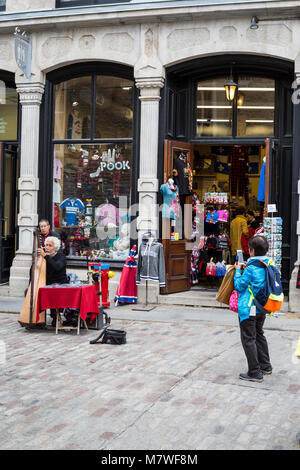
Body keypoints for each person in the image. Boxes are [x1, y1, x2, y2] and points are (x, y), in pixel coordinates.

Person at [234, 235, 272, 382]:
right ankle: (265, 365)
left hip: (249, 307)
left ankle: (255, 372)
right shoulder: (268, 264)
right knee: (259, 334)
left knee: (249, 338)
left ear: (251, 251)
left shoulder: (250, 269)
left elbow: (239, 286)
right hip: (262, 307)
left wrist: (238, 271)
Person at [37, 236, 68, 326]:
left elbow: (57, 267)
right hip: (48, 283)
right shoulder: (43, 258)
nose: (47, 247)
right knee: (32, 292)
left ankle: (54, 316)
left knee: (53, 292)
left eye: (50, 245)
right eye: (46, 245)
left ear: (56, 248)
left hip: (60, 284)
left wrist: (45, 257)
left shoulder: (61, 257)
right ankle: (36, 317)